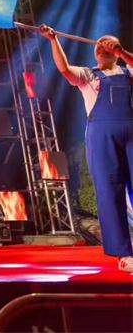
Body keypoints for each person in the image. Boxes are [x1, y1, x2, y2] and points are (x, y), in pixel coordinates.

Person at [40, 26, 133, 273]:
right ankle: (124, 254)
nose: (103, 46)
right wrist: (53, 40)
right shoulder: (88, 75)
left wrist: (122, 53)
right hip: (101, 136)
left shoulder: (128, 71)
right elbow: (63, 68)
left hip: (131, 134)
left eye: (109, 43)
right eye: (100, 44)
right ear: (96, 52)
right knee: (109, 191)